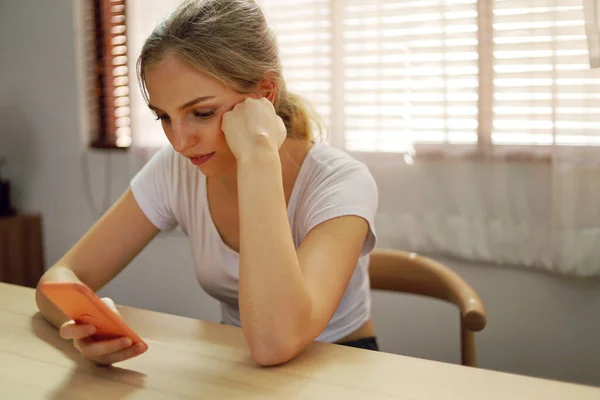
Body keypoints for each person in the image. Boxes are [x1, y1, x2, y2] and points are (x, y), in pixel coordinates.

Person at [36, 0, 379, 367]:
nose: (180, 142)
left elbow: (275, 342)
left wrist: (258, 156)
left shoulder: (340, 182)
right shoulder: (176, 169)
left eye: (201, 113)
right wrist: (88, 324)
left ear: (264, 95)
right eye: (164, 117)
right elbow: (55, 282)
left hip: (339, 368)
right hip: (237, 364)